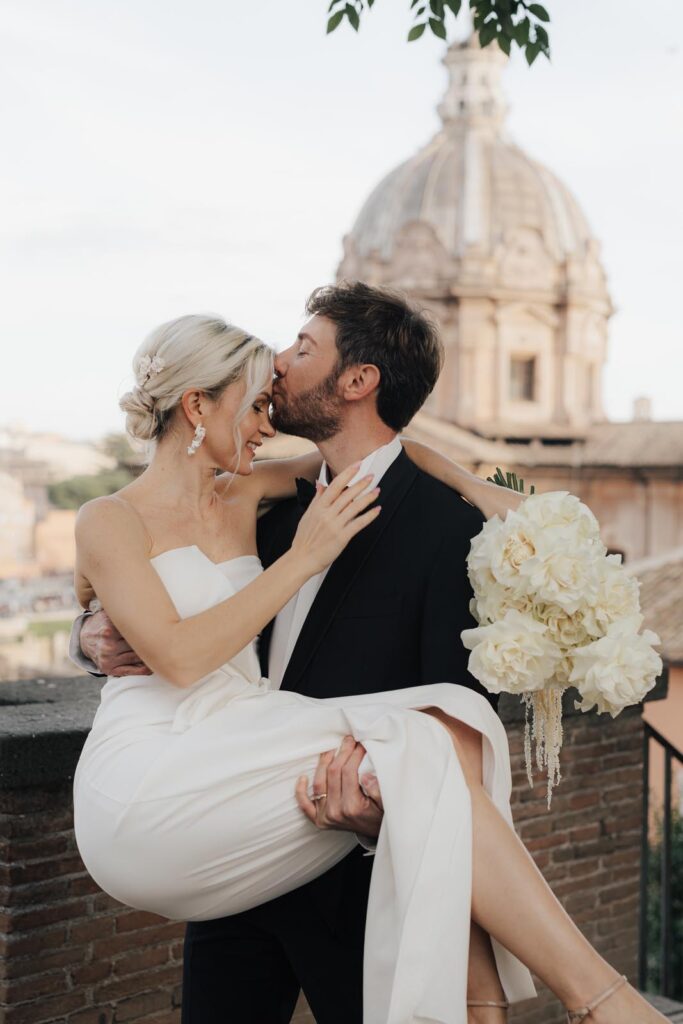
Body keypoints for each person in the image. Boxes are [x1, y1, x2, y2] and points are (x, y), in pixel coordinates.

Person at [71, 284, 664, 1024]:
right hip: (211, 815)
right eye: (254, 399)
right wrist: (89, 638)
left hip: (348, 871)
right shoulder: (273, 507)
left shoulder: (442, 531)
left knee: (434, 734)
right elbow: (155, 616)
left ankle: (538, 998)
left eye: (301, 349)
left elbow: (458, 706)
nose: (277, 374)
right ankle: (585, 999)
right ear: (198, 406)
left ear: (358, 380)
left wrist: (470, 485)